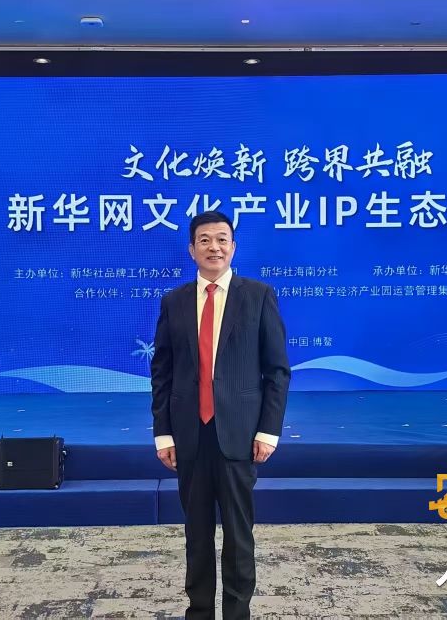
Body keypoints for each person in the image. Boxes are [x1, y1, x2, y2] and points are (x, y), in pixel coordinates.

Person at [151, 210, 290, 619]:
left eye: (222, 239)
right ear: (192, 249)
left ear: (233, 246)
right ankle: (198, 611)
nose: (214, 247)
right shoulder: (174, 302)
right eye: (205, 240)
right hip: (189, 435)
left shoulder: (258, 296)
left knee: (238, 534)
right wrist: (163, 433)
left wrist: (268, 430)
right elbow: (162, 372)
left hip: (239, 434)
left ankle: (236, 613)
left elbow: (277, 371)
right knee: (196, 534)